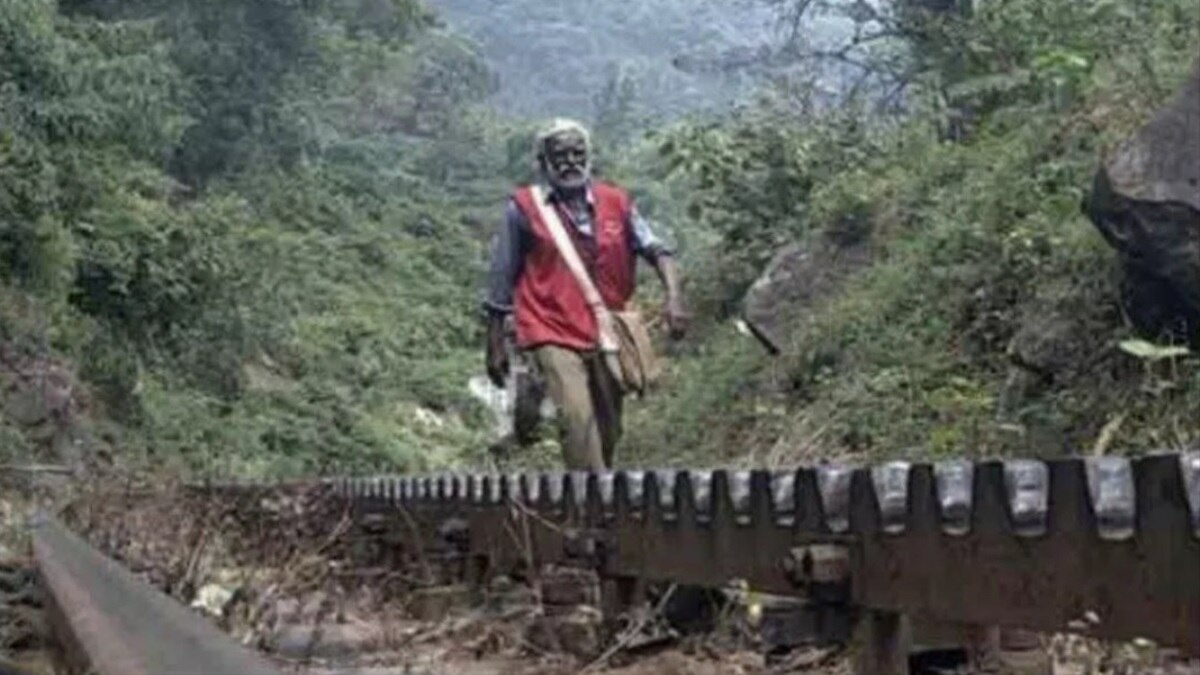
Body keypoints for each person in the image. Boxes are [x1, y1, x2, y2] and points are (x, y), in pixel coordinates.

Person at [483, 118, 687, 471]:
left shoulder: (617, 203)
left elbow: (657, 250)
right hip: (549, 325)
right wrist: (495, 341)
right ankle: (593, 498)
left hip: (605, 327)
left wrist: (674, 298)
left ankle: (595, 485)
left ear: (589, 157)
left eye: (578, 154)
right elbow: (502, 274)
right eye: (559, 156)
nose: (570, 162)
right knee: (576, 417)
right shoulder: (524, 208)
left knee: (609, 425)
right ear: (543, 162)